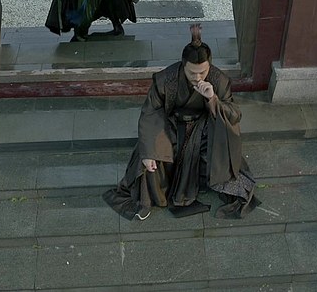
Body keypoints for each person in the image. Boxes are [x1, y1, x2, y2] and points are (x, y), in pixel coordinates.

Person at [103, 24, 259, 220]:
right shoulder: (165, 79)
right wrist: (148, 152)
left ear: (209, 66)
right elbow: (151, 113)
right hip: (171, 124)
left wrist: (212, 99)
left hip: (203, 127)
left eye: (202, 72)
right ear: (183, 65)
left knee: (217, 151)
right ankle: (155, 196)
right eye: (192, 72)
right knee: (152, 158)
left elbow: (234, 115)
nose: (197, 77)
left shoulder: (219, 80)